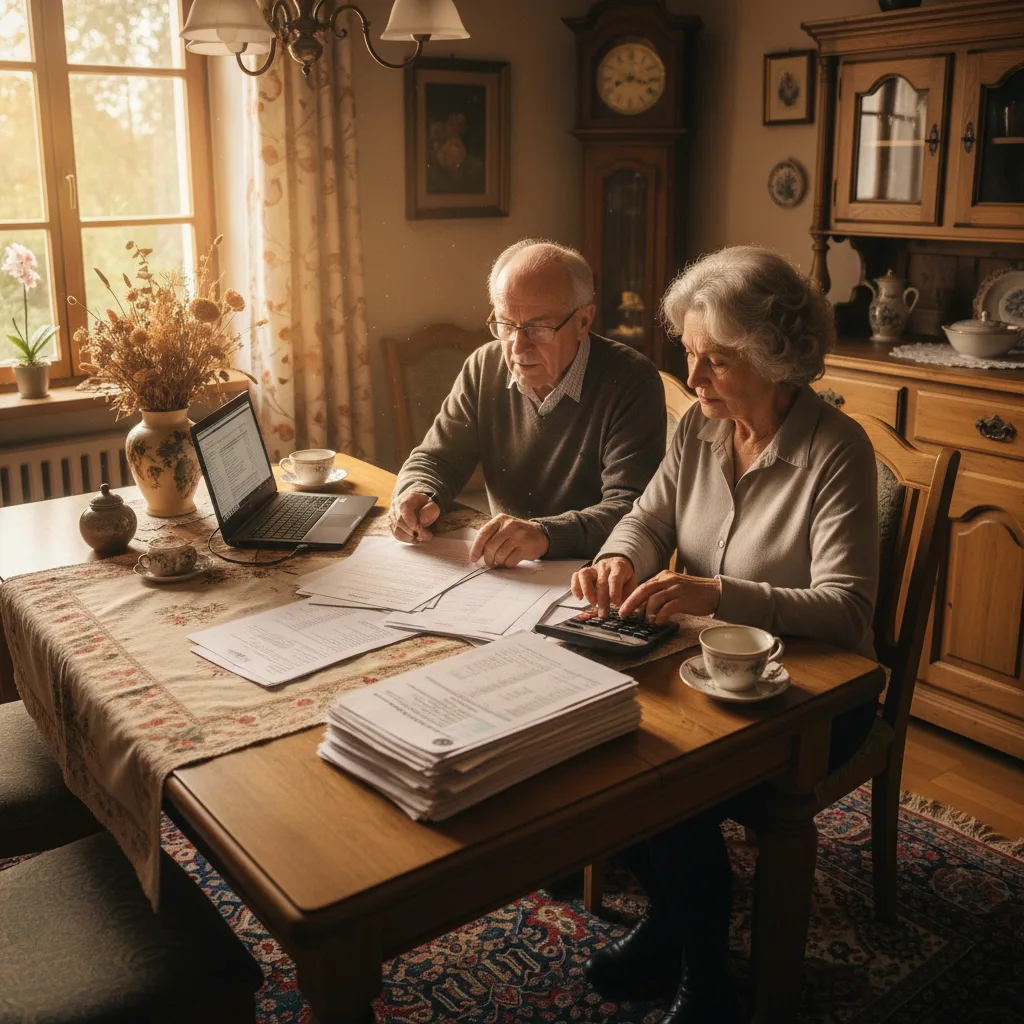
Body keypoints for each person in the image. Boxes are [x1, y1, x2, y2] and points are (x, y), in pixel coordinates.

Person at [571, 245, 879, 1023]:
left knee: (672, 783)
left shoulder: (837, 452)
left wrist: (717, 593)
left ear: (777, 358)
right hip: (708, 673)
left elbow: (846, 610)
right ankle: (670, 929)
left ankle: (704, 975)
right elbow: (648, 518)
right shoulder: (698, 429)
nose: (695, 376)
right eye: (690, 353)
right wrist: (617, 559)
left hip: (816, 697)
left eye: (717, 359)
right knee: (603, 747)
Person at [390, 238, 666, 566]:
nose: (518, 347)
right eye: (506, 324)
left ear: (583, 322)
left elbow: (631, 510)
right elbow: (437, 459)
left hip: (594, 573)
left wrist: (544, 535)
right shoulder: (484, 366)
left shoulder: (632, 380)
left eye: (538, 328)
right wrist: (418, 491)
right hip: (508, 568)